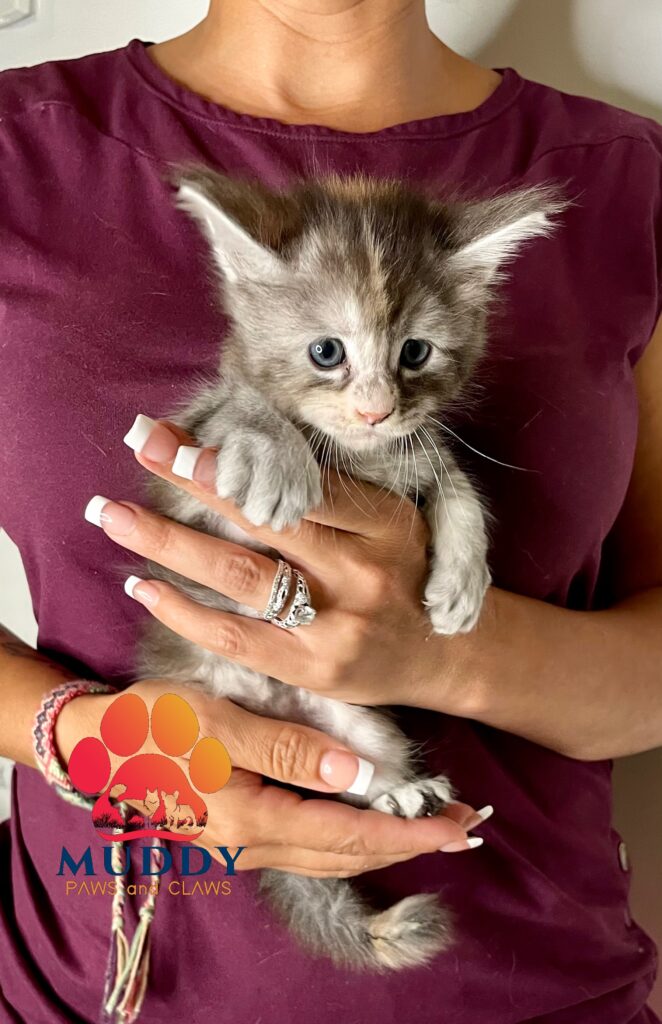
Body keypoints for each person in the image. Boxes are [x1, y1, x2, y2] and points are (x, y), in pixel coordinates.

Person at [0, 1, 661, 1021]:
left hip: (540, 994)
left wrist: (440, 654)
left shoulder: (629, 179)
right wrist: (86, 739)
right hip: (110, 989)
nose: (372, 401)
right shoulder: (19, 150)